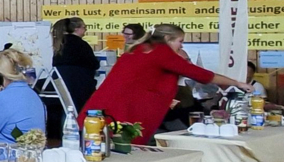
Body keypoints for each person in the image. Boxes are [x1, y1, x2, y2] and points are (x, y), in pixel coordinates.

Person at [85, 23, 248, 140]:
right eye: (180, 41)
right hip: (122, 113)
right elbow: (201, 74)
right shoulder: (161, 51)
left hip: (105, 111)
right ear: (168, 39)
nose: (181, 45)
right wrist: (237, 83)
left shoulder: (141, 49)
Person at [51, 17, 99, 110]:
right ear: (76, 29)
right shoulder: (81, 44)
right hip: (79, 84)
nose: (85, 30)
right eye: (84, 27)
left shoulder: (60, 43)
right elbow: (94, 64)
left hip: (61, 82)